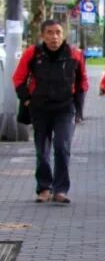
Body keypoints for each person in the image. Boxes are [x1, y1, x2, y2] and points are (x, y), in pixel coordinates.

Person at [11, 20, 89, 204]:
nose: (54, 37)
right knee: (42, 150)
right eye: (50, 33)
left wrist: (78, 108)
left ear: (63, 34)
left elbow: (82, 82)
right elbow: (18, 78)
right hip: (40, 108)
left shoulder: (74, 54)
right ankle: (44, 188)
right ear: (42, 35)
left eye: (58, 32)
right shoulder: (33, 53)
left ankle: (60, 190)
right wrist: (27, 99)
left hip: (65, 108)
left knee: (62, 147)